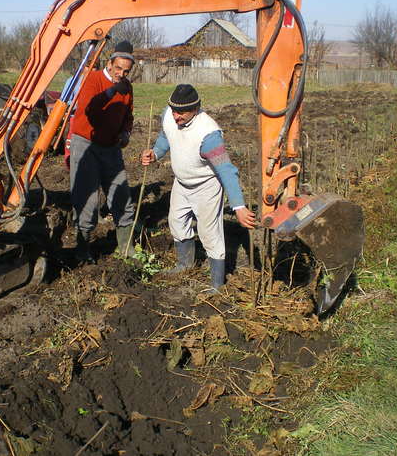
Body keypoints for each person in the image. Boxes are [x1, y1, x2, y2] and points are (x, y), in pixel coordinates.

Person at [141, 84, 257, 291]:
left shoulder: (209, 135)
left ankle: (216, 284)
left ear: (196, 109)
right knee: (176, 222)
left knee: (209, 233)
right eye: (174, 111)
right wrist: (155, 153)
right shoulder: (169, 114)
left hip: (206, 187)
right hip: (182, 183)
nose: (176, 116)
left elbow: (227, 171)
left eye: (182, 113)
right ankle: (184, 264)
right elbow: (166, 135)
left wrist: (239, 207)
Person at [69, 40, 137, 263]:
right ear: (109, 63)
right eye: (118, 68)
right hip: (86, 144)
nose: (121, 74)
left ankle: (126, 248)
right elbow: (90, 109)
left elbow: (128, 116)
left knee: (121, 193)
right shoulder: (93, 80)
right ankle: (82, 249)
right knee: (87, 196)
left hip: (111, 147)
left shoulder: (127, 88)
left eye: (126, 71)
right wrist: (112, 91)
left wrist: (125, 133)